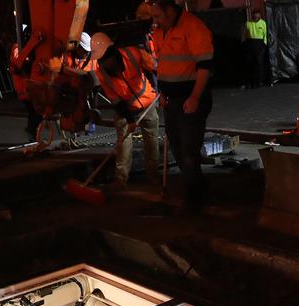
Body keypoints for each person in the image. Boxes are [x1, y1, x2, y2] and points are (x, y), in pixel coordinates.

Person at [150, 0, 214, 213]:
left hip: (191, 100)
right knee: (178, 148)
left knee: (188, 150)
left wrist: (195, 97)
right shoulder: (160, 31)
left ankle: (194, 200)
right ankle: (199, 191)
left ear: (170, 10)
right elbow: (164, 65)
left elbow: (205, 66)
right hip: (172, 101)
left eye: (158, 16)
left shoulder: (194, 28)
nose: (155, 21)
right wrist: (163, 94)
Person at [91, 33, 160, 187]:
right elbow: (116, 101)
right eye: (102, 62)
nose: (106, 65)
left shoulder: (133, 53)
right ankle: (121, 179)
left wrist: (160, 89)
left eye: (107, 60)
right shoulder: (101, 72)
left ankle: (153, 175)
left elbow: (153, 68)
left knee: (151, 142)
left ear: (114, 53)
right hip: (124, 109)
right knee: (123, 143)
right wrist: (129, 120)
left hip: (148, 104)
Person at [9, 30, 42, 141]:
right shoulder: (17, 48)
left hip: (30, 85)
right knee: (33, 111)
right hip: (23, 86)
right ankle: (32, 133)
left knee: (36, 111)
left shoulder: (29, 48)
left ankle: (33, 133)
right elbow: (18, 65)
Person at [241, 8, 268, 89]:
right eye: (254, 13)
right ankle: (250, 82)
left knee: (259, 64)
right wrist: (244, 44)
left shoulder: (263, 23)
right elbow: (244, 35)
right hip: (250, 44)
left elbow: (266, 35)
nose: (255, 15)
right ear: (252, 14)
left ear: (259, 14)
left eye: (257, 13)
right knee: (250, 64)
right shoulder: (248, 23)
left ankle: (260, 82)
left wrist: (264, 44)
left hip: (260, 45)